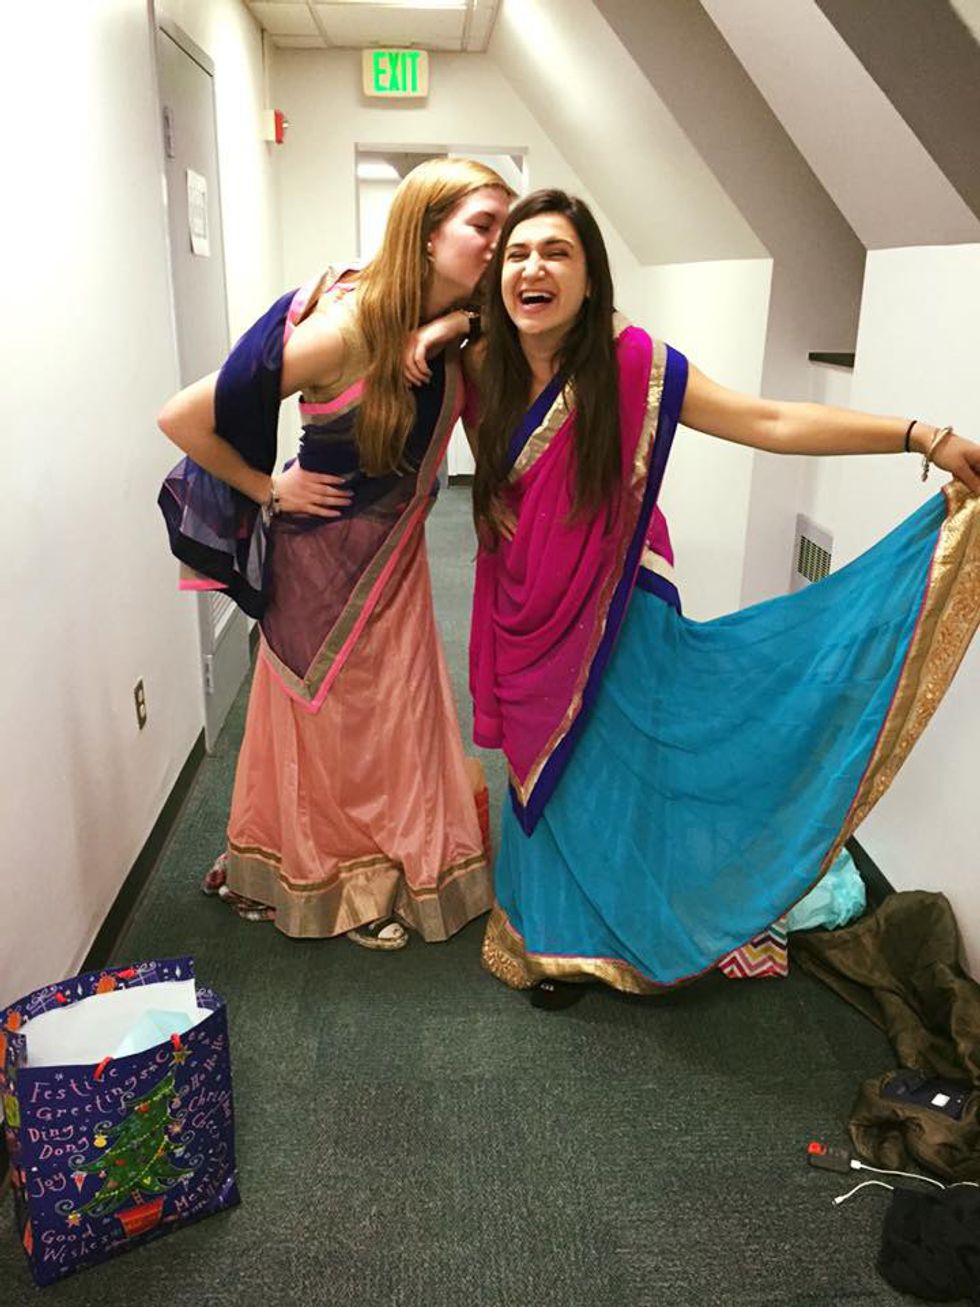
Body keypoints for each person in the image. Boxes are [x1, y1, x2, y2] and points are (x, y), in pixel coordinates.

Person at [462, 189, 980, 1005]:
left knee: (611, 767)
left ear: (591, 280)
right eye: (518, 254)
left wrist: (920, 435)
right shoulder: (475, 362)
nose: (534, 268)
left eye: (557, 252)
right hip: (521, 597)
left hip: (617, 597)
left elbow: (767, 420)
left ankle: (617, 927)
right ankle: (553, 936)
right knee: (542, 767)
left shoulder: (633, 364)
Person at [157, 158, 512, 949]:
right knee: (337, 735)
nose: (500, 244)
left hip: (395, 561)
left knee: (396, 722)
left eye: (504, 225)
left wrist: (447, 327)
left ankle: (386, 867)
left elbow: (522, 319)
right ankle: (334, 881)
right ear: (427, 236)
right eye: (483, 226)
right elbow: (182, 416)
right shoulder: (345, 330)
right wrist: (267, 488)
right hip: (321, 568)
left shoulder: (452, 321)